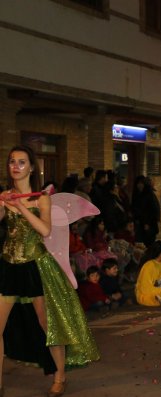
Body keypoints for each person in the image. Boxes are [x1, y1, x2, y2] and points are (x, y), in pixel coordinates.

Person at [0, 145, 99, 397]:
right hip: (9, 265)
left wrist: (20, 207)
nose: (16, 166)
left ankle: (60, 376)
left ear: (32, 168)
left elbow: (45, 231)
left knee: (48, 324)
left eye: (22, 162)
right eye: (12, 161)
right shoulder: (4, 195)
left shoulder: (40, 198)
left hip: (36, 266)